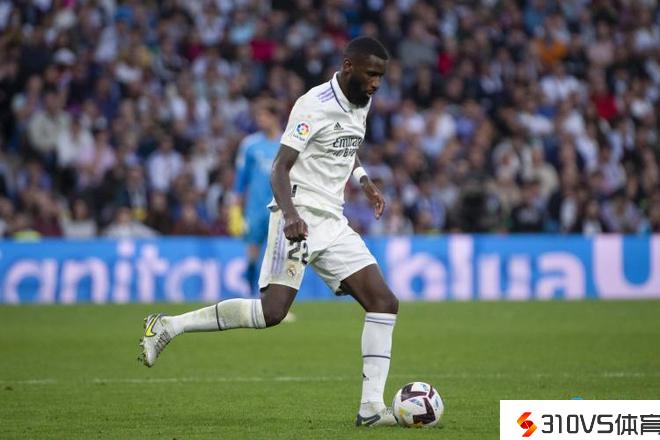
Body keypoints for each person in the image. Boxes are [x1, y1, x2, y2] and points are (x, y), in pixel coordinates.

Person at [138, 37, 399, 427]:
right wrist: (290, 215)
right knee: (272, 312)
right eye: (371, 74)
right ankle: (168, 325)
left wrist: (364, 181)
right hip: (298, 215)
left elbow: (347, 144)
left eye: (381, 76)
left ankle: (371, 410)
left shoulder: (362, 100)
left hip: (333, 219)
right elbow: (278, 168)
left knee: (383, 302)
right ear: (349, 66)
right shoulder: (312, 105)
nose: (376, 83)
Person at [233, 99, 282, 296]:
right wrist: (235, 206)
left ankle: (272, 297)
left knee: (278, 254)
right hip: (255, 208)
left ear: (274, 117)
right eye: (258, 117)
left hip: (280, 207)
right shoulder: (250, 145)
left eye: (264, 116)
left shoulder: (287, 143)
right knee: (253, 251)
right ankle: (250, 293)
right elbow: (241, 177)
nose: (260, 120)